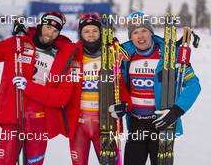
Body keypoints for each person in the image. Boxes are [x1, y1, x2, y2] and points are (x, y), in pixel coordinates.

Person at [0, 5, 77, 165]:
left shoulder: (63, 57)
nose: (50, 34)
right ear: (41, 25)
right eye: (48, 27)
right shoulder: (18, 44)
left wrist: (29, 87)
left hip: (39, 122)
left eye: (55, 31)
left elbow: (61, 98)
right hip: (13, 117)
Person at [109, 11, 201, 165]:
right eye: (135, 32)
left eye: (144, 30)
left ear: (151, 32)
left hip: (162, 124)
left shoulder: (170, 55)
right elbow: (115, 84)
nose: (140, 36)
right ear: (130, 36)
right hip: (136, 125)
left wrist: (176, 111)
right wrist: (120, 105)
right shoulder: (123, 56)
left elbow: (194, 85)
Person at [66, 12, 131, 165]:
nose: (91, 35)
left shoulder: (112, 55)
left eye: (95, 30)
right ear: (80, 33)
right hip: (79, 126)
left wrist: (124, 105)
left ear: (101, 32)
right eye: (86, 31)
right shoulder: (71, 55)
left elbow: (121, 88)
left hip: (105, 122)